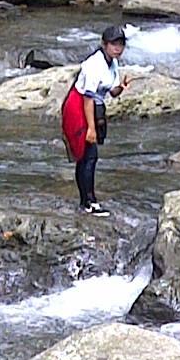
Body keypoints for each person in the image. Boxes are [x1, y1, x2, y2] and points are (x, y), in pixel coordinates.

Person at [61, 24, 131, 216]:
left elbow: (112, 92)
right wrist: (90, 128)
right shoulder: (94, 64)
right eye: (113, 44)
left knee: (87, 157)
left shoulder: (112, 62)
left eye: (120, 44)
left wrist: (121, 87)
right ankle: (88, 203)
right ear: (104, 44)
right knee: (88, 156)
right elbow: (87, 98)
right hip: (78, 106)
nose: (117, 48)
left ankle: (86, 201)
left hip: (93, 106)